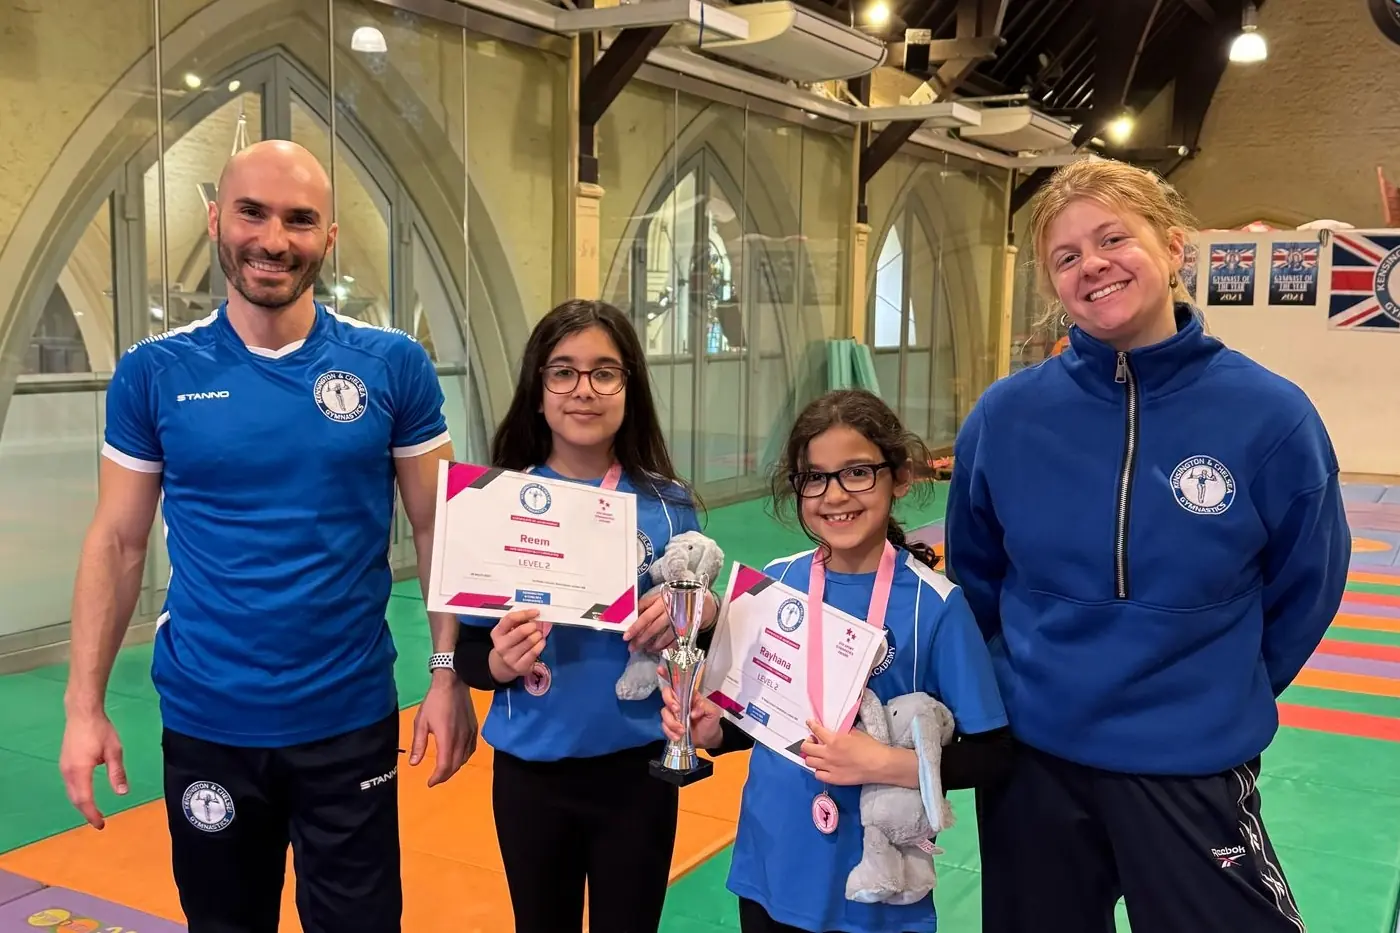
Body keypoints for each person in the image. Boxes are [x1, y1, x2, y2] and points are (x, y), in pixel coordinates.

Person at [58, 139, 477, 933]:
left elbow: (438, 522)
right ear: (216, 219)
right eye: (252, 212)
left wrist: (448, 671)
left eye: (300, 219)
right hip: (208, 720)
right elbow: (117, 542)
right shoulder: (154, 372)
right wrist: (84, 708)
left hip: (349, 716)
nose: (274, 239)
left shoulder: (391, 365)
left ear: (330, 237)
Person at [944, 157, 1351, 933]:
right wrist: (1026, 678)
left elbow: (1307, 582)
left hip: (1189, 760)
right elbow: (979, 572)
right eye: (1067, 256)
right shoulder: (1006, 417)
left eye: (1112, 239)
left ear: (1172, 247)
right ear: (1054, 284)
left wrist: (1218, 687)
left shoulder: (1270, 416)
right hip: (1035, 759)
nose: (1092, 265)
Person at [661, 388, 1013, 933]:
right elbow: (754, 718)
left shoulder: (936, 607)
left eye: (857, 473)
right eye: (815, 478)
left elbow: (993, 756)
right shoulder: (776, 584)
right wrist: (712, 730)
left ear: (899, 477)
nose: (834, 494)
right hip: (772, 871)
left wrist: (884, 765)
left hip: (878, 891)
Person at [453, 298, 718, 933]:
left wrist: (701, 614)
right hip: (531, 775)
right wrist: (499, 662)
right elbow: (466, 653)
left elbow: (701, 647)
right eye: (563, 371)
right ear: (537, 387)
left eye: (604, 372)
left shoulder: (667, 504)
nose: (583, 389)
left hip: (638, 769)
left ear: (629, 386)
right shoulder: (494, 501)